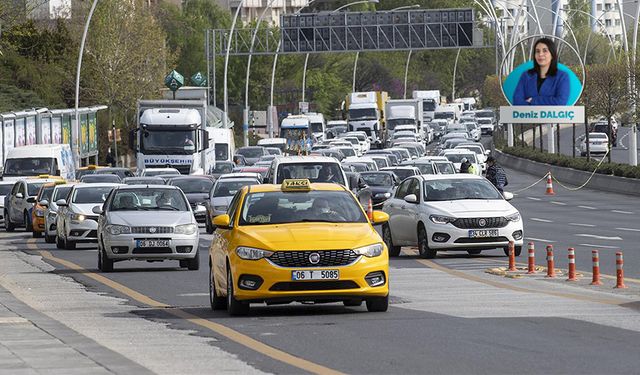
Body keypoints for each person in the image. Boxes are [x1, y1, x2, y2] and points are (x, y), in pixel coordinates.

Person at [513, 37, 570, 106]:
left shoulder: (562, 77)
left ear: (552, 55)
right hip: (528, 116)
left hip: (552, 117)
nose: (540, 54)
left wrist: (534, 100)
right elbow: (516, 101)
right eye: (537, 51)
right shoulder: (526, 75)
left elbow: (560, 102)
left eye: (545, 51)